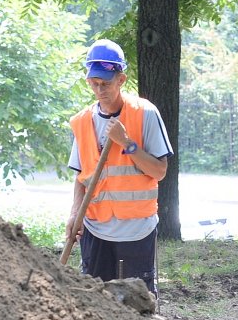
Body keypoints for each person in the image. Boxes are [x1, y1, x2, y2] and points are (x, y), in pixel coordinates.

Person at [66, 39, 172, 293]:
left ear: (121, 79)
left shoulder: (145, 113)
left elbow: (159, 171)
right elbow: (82, 177)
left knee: (136, 304)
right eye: (94, 84)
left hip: (136, 230)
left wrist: (127, 143)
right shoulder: (82, 121)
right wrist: (74, 213)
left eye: (106, 83)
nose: (100, 90)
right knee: (94, 302)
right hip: (95, 228)